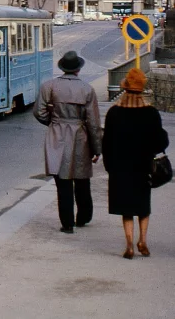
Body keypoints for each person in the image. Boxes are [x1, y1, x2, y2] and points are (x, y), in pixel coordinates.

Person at [102, 68, 170, 259]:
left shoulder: (114, 112)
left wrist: (109, 166)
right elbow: (161, 142)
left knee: (126, 207)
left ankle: (129, 244)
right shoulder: (151, 113)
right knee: (142, 205)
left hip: (120, 167)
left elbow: (106, 142)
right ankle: (143, 241)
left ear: (125, 89)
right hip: (143, 166)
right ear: (142, 89)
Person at [34, 51, 101, 234]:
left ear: (62, 67)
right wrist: (97, 149)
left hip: (57, 133)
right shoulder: (87, 89)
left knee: (62, 180)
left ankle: (67, 223)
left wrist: (53, 122)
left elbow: (39, 112)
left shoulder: (49, 86)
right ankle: (84, 216)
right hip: (80, 135)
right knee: (81, 177)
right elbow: (94, 123)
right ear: (79, 69)